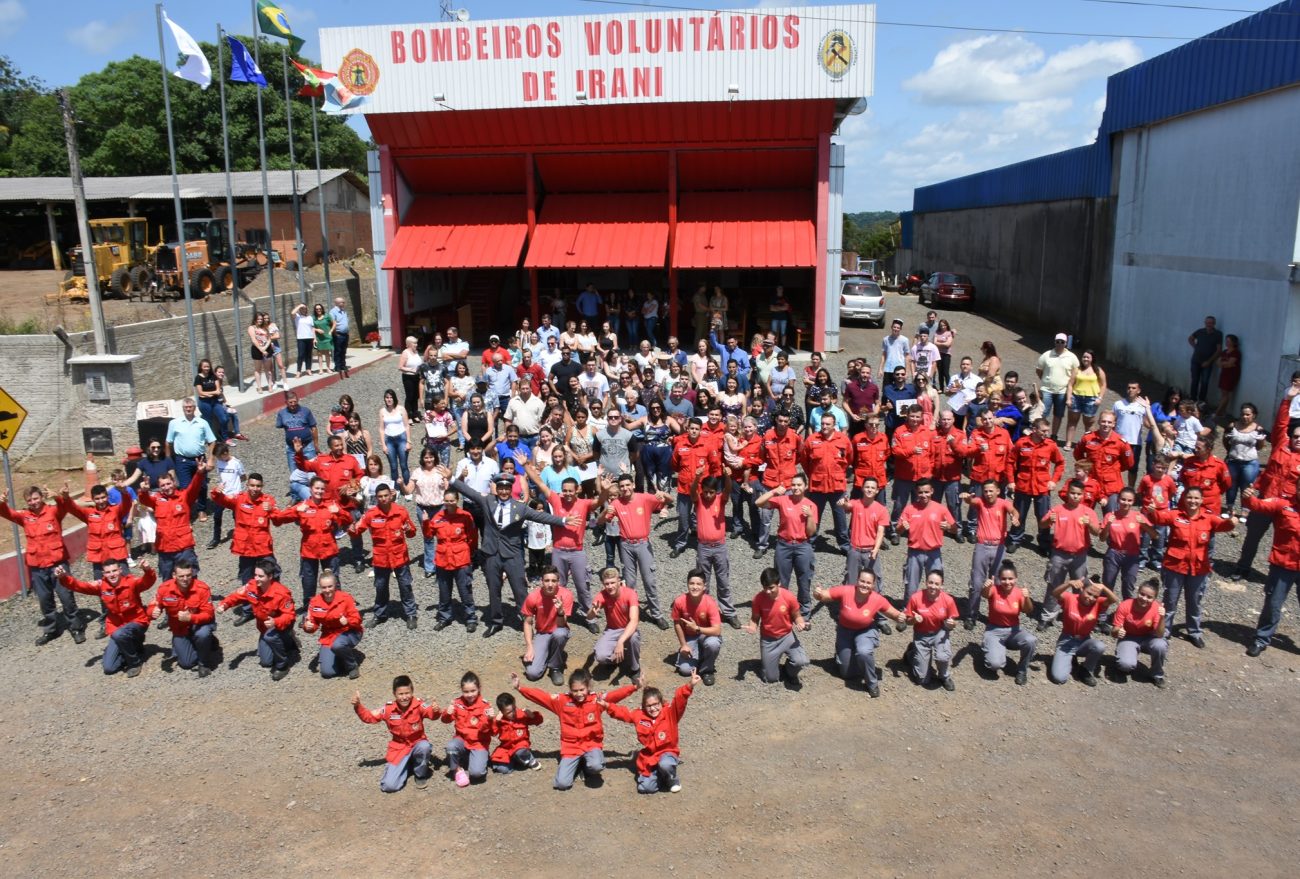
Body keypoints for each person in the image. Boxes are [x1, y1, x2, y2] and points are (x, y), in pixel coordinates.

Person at [452, 473, 571, 638]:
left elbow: (541, 516)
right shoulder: (488, 501)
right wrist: (451, 479)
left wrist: (563, 521)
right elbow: (469, 491)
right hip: (491, 553)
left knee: (519, 589)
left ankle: (527, 620)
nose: (503, 491)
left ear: (511, 489)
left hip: (513, 554)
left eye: (506, 488)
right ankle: (496, 621)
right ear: (496, 488)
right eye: (500, 488)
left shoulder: (520, 507)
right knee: (494, 589)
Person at [513, 668, 639, 791]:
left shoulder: (597, 700)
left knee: (596, 766)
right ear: (570, 689)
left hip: (591, 744)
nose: (579, 694)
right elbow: (541, 696)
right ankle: (577, 765)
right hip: (571, 747)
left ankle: (586, 767)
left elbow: (615, 695)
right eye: (575, 690)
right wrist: (520, 688)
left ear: (588, 687)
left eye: (582, 690)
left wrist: (634, 687)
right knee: (562, 784)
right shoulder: (561, 701)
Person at [1144, 486, 1234, 648]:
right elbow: (1159, 518)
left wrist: (1232, 522)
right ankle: (1165, 631)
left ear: (1201, 500)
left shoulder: (1208, 517)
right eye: (1189, 498)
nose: (1193, 501)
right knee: (1169, 601)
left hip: (1199, 568)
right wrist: (1152, 511)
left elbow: (1223, 526)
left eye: (1196, 498)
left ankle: (1194, 632)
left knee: (1194, 601)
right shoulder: (1175, 515)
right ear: (1184, 499)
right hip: (1174, 566)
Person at [813, 570, 905, 697]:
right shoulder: (846, 591)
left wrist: (902, 618)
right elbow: (824, 595)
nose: (864, 585)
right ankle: (848, 656)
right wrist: (817, 593)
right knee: (846, 674)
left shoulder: (877, 599)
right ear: (857, 581)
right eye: (862, 581)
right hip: (845, 631)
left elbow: (894, 614)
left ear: (873, 585)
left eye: (868, 583)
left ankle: (872, 684)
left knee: (863, 652)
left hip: (865, 630)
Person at [56, 560, 155, 677]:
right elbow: (80, 586)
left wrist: (147, 570)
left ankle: (135, 663)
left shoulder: (131, 582)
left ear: (120, 570)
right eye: (108, 572)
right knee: (109, 668)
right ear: (103, 574)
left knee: (119, 635)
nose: (112, 574)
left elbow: (147, 582)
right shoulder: (101, 586)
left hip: (136, 622)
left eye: (114, 571)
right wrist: (63, 577)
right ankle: (134, 648)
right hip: (117, 627)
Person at [601, 674, 697, 795]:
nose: (653, 709)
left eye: (656, 704)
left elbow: (680, 699)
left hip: (668, 752)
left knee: (665, 764)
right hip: (650, 756)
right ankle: (659, 774)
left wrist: (690, 685)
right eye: (649, 706)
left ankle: (671, 778)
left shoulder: (670, 713)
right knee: (645, 788)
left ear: (661, 703)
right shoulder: (639, 715)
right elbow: (623, 713)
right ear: (644, 706)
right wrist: (607, 705)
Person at [600, 473, 673, 629]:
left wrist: (663, 494)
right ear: (619, 489)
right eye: (622, 486)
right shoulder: (617, 503)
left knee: (649, 581)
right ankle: (628, 614)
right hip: (625, 545)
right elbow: (599, 522)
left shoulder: (644, 498)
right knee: (629, 583)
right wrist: (606, 508)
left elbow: (670, 500)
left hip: (643, 544)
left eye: (628, 485)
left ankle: (657, 614)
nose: (625, 488)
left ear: (633, 485)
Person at [270, 477, 351, 611]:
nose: (319, 491)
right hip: (309, 551)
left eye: (322, 489)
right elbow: (278, 520)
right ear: (310, 489)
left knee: (333, 581)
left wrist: (339, 511)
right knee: (308, 582)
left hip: (329, 550)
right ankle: (310, 612)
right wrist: (295, 510)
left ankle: (337, 610)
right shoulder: (303, 506)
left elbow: (348, 520)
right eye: (317, 488)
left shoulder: (331, 505)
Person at [353, 675, 442, 792]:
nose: (404, 697)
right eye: (401, 694)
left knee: (424, 747)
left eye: (407, 693)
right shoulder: (388, 709)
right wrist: (358, 706)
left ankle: (420, 773)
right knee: (389, 786)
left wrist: (436, 711)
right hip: (399, 748)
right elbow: (369, 717)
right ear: (394, 694)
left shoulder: (419, 704)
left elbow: (431, 714)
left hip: (417, 743)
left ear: (412, 692)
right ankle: (407, 765)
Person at [65, 484, 133, 636]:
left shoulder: (115, 510)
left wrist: (124, 492)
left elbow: (127, 504)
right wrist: (65, 497)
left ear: (107, 497)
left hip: (117, 556)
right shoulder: (89, 514)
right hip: (99, 559)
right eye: (98, 498)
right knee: (103, 591)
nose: (101, 501)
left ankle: (131, 617)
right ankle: (106, 622)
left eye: (103, 497)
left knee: (126, 587)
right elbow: (73, 509)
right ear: (93, 500)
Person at [1242, 479, 1300, 657]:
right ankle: (1261, 639)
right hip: (1283, 564)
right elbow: (1258, 505)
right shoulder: (1283, 504)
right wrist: (1248, 498)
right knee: (1273, 604)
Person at [350, 482, 418, 629]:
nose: (383, 499)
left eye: (386, 495)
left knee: (405, 586)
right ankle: (380, 615)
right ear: (376, 497)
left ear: (391, 495)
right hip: (381, 559)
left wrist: (409, 530)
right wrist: (349, 526)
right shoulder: (371, 515)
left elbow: (412, 532)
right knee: (380, 587)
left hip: (400, 557)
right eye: (380, 496)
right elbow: (357, 531)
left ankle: (411, 614)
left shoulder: (401, 511)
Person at [1037, 479, 1103, 631]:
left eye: (1078, 494)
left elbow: (1097, 532)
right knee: (1054, 585)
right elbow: (1042, 524)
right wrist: (1048, 521)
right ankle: (1047, 616)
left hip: (1080, 555)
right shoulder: (1058, 509)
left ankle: (1079, 614)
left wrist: (1090, 524)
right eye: (1072, 493)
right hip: (1059, 554)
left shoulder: (1088, 512)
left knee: (1081, 586)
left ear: (1083, 495)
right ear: (1067, 494)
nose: (1075, 496)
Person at [217, 560, 299, 681]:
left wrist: (276, 622)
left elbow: (290, 616)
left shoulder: (281, 593)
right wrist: (224, 605)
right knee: (266, 662)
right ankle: (289, 643)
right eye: (255, 575)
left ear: (270, 577)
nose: (256, 578)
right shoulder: (252, 586)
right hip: (264, 628)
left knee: (271, 637)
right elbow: (237, 596)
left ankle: (283, 665)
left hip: (280, 626)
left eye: (260, 576)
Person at [755, 476, 819, 616]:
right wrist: (774, 491)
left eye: (799, 485)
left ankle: (804, 609)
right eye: (793, 485)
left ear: (806, 486)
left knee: (804, 579)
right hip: (784, 545)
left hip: (803, 546)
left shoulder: (811, 505)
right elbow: (758, 502)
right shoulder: (783, 500)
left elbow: (811, 532)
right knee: (782, 580)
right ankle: (783, 608)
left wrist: (809, 516)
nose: (796, 488)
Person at [961, 480, 1019, 627]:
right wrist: (967, 497)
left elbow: (1013, 510)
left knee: (999, 583)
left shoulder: (1003, 503)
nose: (988, 494)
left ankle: (997, 616)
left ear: (998, 491)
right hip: (982, 546)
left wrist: (1015, 517)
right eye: (985, 491)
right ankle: (971, 616)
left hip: (999, 547)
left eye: (991, 490)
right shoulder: (980, 502)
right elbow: (971, 501)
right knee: (976, 582)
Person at [148, 560, 218, 676]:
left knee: (203, 634)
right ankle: (204, 644)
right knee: (186, 663)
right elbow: (153, 606)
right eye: (181, 576)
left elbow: (209, 614)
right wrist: (153, 611)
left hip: (199, 625)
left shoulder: (202, 588)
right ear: (174, 575)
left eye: (188, 575)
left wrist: (191, 617)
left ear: (192, 574)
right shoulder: (164, 589)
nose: (185, 579)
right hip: (180, 629)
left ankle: (203, 662)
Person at [137, 466, 207, 580]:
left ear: (174, 482)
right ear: (159, 488)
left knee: (189, 578)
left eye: (168, 483)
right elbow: (144, 500)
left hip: (183, 547)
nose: (166, 487)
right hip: (165, 549)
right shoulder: (157, 500)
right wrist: (144, 491)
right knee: (167, 581)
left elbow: (194, 487)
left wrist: (199, 473)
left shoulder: (184, 496)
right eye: (163, 485)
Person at [744, 566, 810, 686]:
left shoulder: (789, 597)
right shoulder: (758, 599)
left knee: (801, 661)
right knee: (770, 678)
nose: (768, 591)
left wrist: (800, 623)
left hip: (787, 636)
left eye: (771, 588)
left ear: (778, 583)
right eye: (765, 588)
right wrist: (752, 626)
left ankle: (790, 671)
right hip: (768, 639)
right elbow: (754, 619)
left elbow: (796, 615)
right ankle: (770, 665)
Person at [897, 479, 959, 605]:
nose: (924, 495)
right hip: (914, 553)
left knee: (935, 584)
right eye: (920, 492)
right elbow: (897, 531)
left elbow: (955, 529)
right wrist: (902, 527)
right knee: (911, 585)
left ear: (932, 491)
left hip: (934, 553)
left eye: (926, 492)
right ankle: (908, 610)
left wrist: (949, 527)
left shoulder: (941, 509)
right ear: (916, 492)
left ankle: (934, 610)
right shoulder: (909, 509)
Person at [1007, 418, 1065, 554]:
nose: (1046, 433)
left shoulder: (1050, 445)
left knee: (1043, 517)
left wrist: (1054, 480)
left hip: (1042, 486)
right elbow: (1010, 462)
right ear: (1034, 430)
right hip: (1023, 485)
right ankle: (1015, 539)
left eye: (1047, 431)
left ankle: (1044, 543)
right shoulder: (1022, 443)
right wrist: (1011, 480)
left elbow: (1060, 463)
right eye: (1043, 430)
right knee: (1019, 514)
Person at [1048, 577, 1117, 686]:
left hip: (1084, 641)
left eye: (1095, 596)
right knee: (1059, 678)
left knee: (1099, 646)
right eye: (1089, 593)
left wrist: (1103, 587)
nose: (1091, 598)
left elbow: (1114, 600)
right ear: (1081, 590)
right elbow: (1055, 593)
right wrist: (1069, 583)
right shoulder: (1070, 598)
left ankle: (1085, 670)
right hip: (1066, 641)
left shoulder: (1098, 603)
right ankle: (1070, 658)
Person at [428, 488, 479, 633]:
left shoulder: (465, 516)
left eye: (452, 501)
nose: (449, 503)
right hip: (443, 559)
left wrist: (469, 554)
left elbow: (472, 537)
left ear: (457, 501)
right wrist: (425, 522)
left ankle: (470, 618)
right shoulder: (437, 517)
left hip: (461, 558)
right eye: (446, 501)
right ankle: (445, 617)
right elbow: (429, 535)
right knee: (444, 591)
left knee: (465, 590)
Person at [902, 570, 959, 691]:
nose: (933, 586)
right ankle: (911, 654)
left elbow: (953, 623)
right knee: (922, 679)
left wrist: (952, 624)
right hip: (921, 634)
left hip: (940, 632)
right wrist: (914, 620)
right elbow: (907, 621)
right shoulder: (916, 598)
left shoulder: (948, 600)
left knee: (943, 656)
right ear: (926, 582)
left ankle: (944, 676)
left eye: (937, 584)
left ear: (942, 585)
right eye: (930, 582)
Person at [980, 562, 1036, 685]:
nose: (1007, 582)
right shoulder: (995, 590)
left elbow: (1028, 610)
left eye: (1010, 579)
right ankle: (993, 648)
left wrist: (1027, 597)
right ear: (999, 579)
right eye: (1004, 579)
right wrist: (986, 586)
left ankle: (1022, 670)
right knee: (995, 664)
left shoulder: (1019, 593)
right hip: (994, 630)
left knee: (1030, 640)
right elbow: (984, 594)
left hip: (1013, 631)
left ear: (1016, 579)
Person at [802, 413, 851, 552]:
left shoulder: (843, 440)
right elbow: (804, 461)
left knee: (840, 518)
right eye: (822, 423)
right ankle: (810, 543)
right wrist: (812, 475)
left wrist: (839, 473)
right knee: (814, 517)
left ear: (834, 425)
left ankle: (844, 545)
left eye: (827, 424)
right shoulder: (811, 440)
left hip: (837, 486)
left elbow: (849, 459)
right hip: (817, 486)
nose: (824, 426)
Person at [302, 572, 363, 679]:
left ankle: (352, 666)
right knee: (327, 673)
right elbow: (312, 622)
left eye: (330, 586)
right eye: (324, 587)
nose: (327, 590)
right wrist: (308, 627)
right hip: (329, 635)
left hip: (349, 631)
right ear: (320, 587)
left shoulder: (346, 598)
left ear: (335, 585)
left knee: (338, 645)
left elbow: (357, 619)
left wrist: (348, 621)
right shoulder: (314, 602)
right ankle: (341, 657)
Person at [887, 405, 935, 542]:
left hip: (922, 477)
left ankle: (915, 530)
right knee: (899, 505)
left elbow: (932, 455)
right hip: (904, 476)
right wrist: (911, 451)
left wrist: (929, 471)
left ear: (921, 417)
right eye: (912, 416)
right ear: (907, 416)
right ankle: (895, 530)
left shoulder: (927, 432)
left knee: (919, 505)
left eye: (917, 416)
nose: (914, 419)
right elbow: (895, 451)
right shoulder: (899, 431)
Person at [440, 670, 494, 788]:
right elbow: (445, 720)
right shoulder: (457, 703)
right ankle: (457, 769)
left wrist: (490, 720)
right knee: (451, 746)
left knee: (477, 773)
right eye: (466, 691)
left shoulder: (485, 706)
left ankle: (473, 757)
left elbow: (491, 732)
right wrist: (447, 714)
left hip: (478, 743)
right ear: (461, 690)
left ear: (479, 688)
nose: (469, 695)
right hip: (462, 740)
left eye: (473, 691)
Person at [166, 397, 216, 522]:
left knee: (202, 486)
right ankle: (185, 510)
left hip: (200, 459)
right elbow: (168, 442)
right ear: (183, 408)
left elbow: (212, 441)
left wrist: (210, 459)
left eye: (190, 407)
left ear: (194, 408)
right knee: (184, 487)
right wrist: (168, 461)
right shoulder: (174, 423)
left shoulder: (202, 423)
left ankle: (201, 509)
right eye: (186, 407)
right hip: (182, 460)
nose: (188, 409)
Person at [1112, 577, 1168, 686]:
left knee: (1160, 645)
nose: (1144, 598)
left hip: (1149, 637)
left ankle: (1157, 674)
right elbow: (1113, 632)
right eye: (1142, 594)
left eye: (1149, 597)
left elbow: (1160, 634)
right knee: (1125, 665)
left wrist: (1162, 617)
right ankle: (1123, 657)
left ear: (1155, 598)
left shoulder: (1157, 608)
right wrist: (1117, 631)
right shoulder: (1125, 605)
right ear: (1137, 592)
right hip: (1129, 637)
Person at [671, 568, 723, 686]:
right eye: (692, 583)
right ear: (687, 584)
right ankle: (700, 655)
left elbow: (717, 630)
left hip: (707, 635)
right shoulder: (679, 602)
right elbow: (677, 623)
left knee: (713, 644)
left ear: (704, 586)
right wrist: (683, 644)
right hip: (690, 638)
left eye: (699, 584)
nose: (695, 587)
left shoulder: (710, 603)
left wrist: (698, 628)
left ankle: (707, 670)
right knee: (684, 670)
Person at [1223, 404, 1268, 520]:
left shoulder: (1259, 429)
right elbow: (1225, 440)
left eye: (1248, 414)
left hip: (1250, 463)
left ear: (1254, 415)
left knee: (1246, 487)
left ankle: (1245, 510)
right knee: (1231, 485)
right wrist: (1231, 451)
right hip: (1233, 461)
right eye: (1243, 414)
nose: (1245, 416)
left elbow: (1260, 446)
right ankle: (1230, 508)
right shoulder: (1232, 426)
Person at [1036, 333, 1079, 442]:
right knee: (1043, 413)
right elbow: (1039, 369)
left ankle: (1054, 435)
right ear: (1054, 342)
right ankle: (1041, 432)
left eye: (1062, 342)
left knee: (1058, 414)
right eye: (1057, 341)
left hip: (1062, 391)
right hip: (1047, 389)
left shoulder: (1072, 357)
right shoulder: (1046, 355)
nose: (1059, 344)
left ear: (1066, 343)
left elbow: (1075, 372)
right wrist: (1046, 380)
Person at [489, 692, 544, 773]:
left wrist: (532, 715)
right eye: (509, 712)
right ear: (501, 712)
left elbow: (538, 721)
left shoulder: (521, 714)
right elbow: (493, 733)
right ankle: (517, 760)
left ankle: (531, 761)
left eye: (514, 709)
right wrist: (495, 721)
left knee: (519, 751)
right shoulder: (499, 720)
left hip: (521, 744)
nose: (513, 713)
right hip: (507, 748)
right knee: (503, 769)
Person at [1064, 350, 1106, 449]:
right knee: (1072, 421)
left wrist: (1100, 398)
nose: (1085, 359)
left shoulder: (1098, 370)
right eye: (1084, 357)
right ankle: (1068, 443)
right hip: (1076, 397)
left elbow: (1103, 385)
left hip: (1091, 398)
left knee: (1089, 423)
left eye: (1088, 357)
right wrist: (1068, 398)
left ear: (1092, 359)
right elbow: (1070, 384)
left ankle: (1089, 444)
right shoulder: (1077, 369)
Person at [275, 391, 318, 484]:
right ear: (286, 402)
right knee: (294, 473)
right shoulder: (281, 413)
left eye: (295, 401)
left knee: (312, 471)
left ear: (298, 400)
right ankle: (296, 493)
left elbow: (313, 427)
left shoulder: (306, 411)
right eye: (290, 402)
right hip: (291, 448)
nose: (293, 404)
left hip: (307, 446)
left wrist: (316, 445)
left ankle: (312, 491)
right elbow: (280, 425)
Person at [1187, 315, 1223, 403]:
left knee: (1205, 382)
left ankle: (1201, 400)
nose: (1209, 324)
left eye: (1211, 323)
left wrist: (1209, 361)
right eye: (1207, 323)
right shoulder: (1200, 331)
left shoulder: (1218, 334)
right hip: (1196, 360)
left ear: (1214, 324)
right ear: (1205, 323)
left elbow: (1219, 350)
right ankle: (1193, 398)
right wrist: (1195, 347)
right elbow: (1190, 338)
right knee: (1195, 380)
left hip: (1207, 362)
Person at [193, 359, 228, 444]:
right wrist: (212, 392)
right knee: (208, 421)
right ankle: (212, 440)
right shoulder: (198, 378)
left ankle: (225, 437)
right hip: (204, 403)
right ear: (201, 367)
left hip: (215, 401)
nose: (206, 368)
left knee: (224, 418)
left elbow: (218, 389)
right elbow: (200, 393)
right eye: (205, 366)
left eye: (208, 366)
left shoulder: (213, 376)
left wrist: (209, 393)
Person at [329, 296, 350, 376]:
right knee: (338, 351)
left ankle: (343, 365)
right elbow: (332, 323)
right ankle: (337, 366)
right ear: (337, 303)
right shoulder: (333, 312)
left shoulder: (344, 311)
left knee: (343, 351)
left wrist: (347, 331)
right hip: (338, 334)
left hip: (345, 334)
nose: (343, 304)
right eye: (342, 302)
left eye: (343, 302)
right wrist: (335, 333)